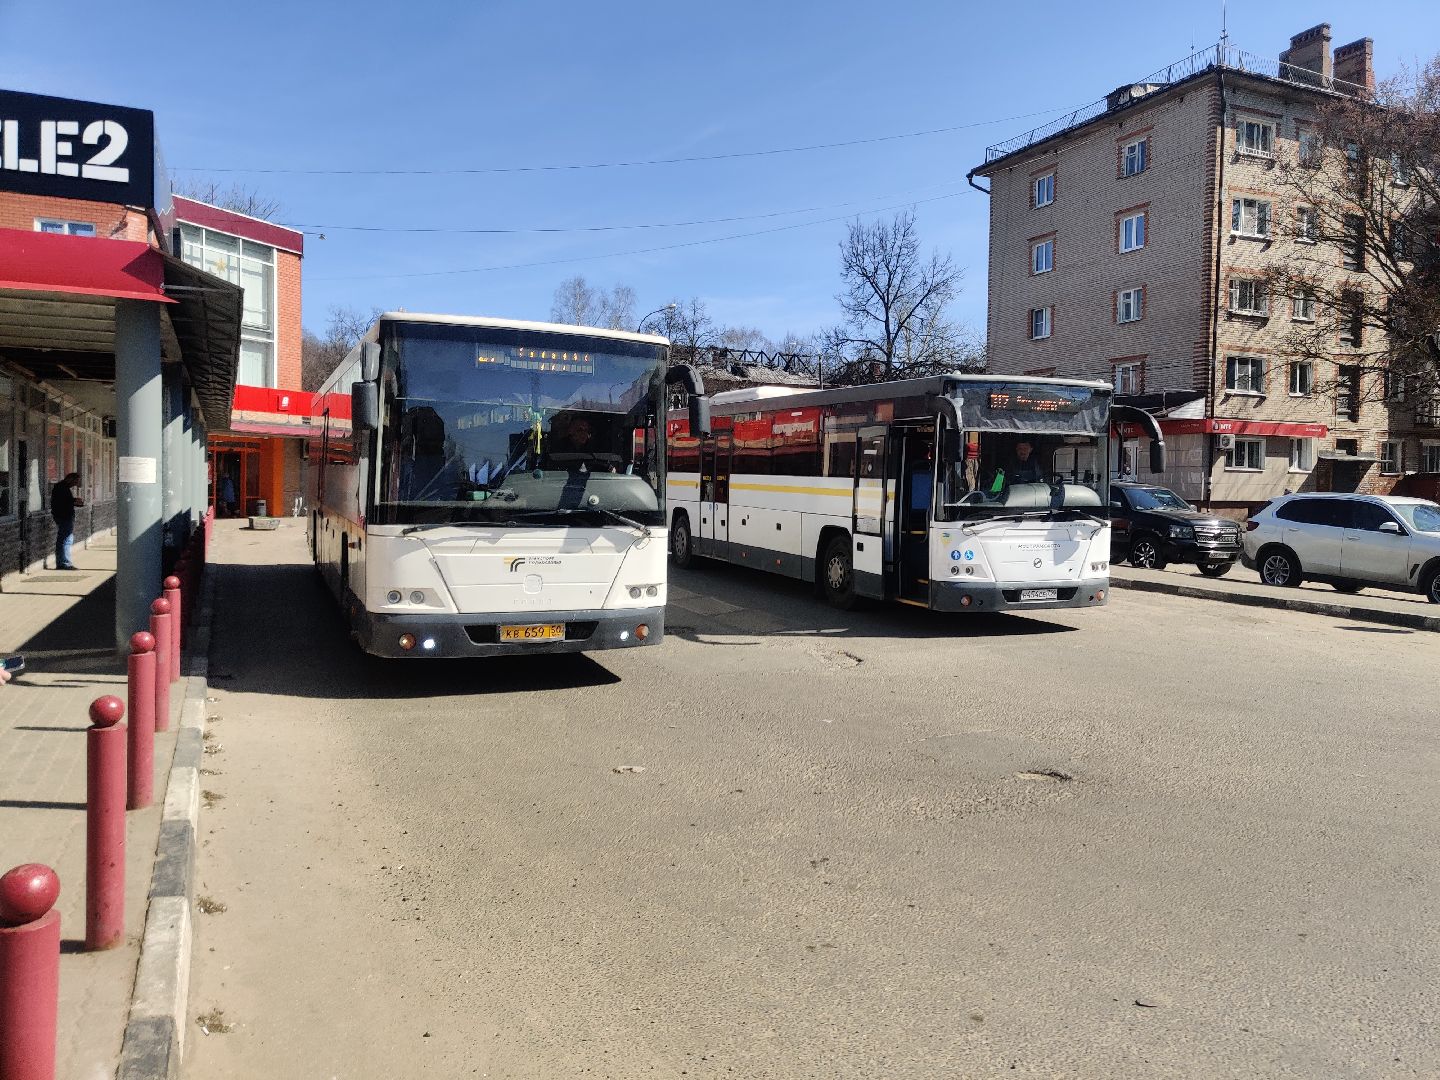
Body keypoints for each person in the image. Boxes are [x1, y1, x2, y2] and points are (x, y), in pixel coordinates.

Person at [50, 471, 83, 570]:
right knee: (66, 539)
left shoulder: (62, 487)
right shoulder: (61, 488)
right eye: (75, 481)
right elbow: (63, 502)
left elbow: (64, 501)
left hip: (63, 516)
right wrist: (74, 501)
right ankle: (64, 563)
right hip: (63, 516)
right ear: (70, 479)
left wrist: (74, 502)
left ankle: (63, 562)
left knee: (65, 539)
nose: (75, 484)